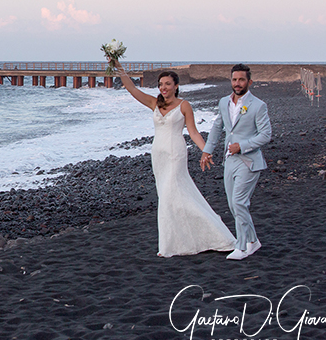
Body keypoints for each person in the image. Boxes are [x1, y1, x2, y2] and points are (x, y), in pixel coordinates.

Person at [113, 62, 236, 257]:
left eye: (168, 84)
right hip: (158, 155)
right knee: (168, 197)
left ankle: (214, 235)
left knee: (172, 193)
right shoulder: (155, 103)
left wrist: (206, 150)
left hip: (175, 154)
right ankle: (176, 242)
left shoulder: (184, 105)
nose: (164, 87)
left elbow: (193, 132)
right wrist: (117, 65)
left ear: (176, 86)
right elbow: (131, 89)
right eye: (161, 84)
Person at [200, 64, 271, 260]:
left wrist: (243, 145)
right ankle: (253, 241)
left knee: (240, 202)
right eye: (234, 79)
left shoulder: (258, 105)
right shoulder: (224, 102)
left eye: (241, 80)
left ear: (249, 82)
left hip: (249, 160)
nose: (237, 83)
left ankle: (240, 246)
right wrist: (207, 151)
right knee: (233, 205)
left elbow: (266, 135)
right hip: (229, 160)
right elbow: (217, 128)